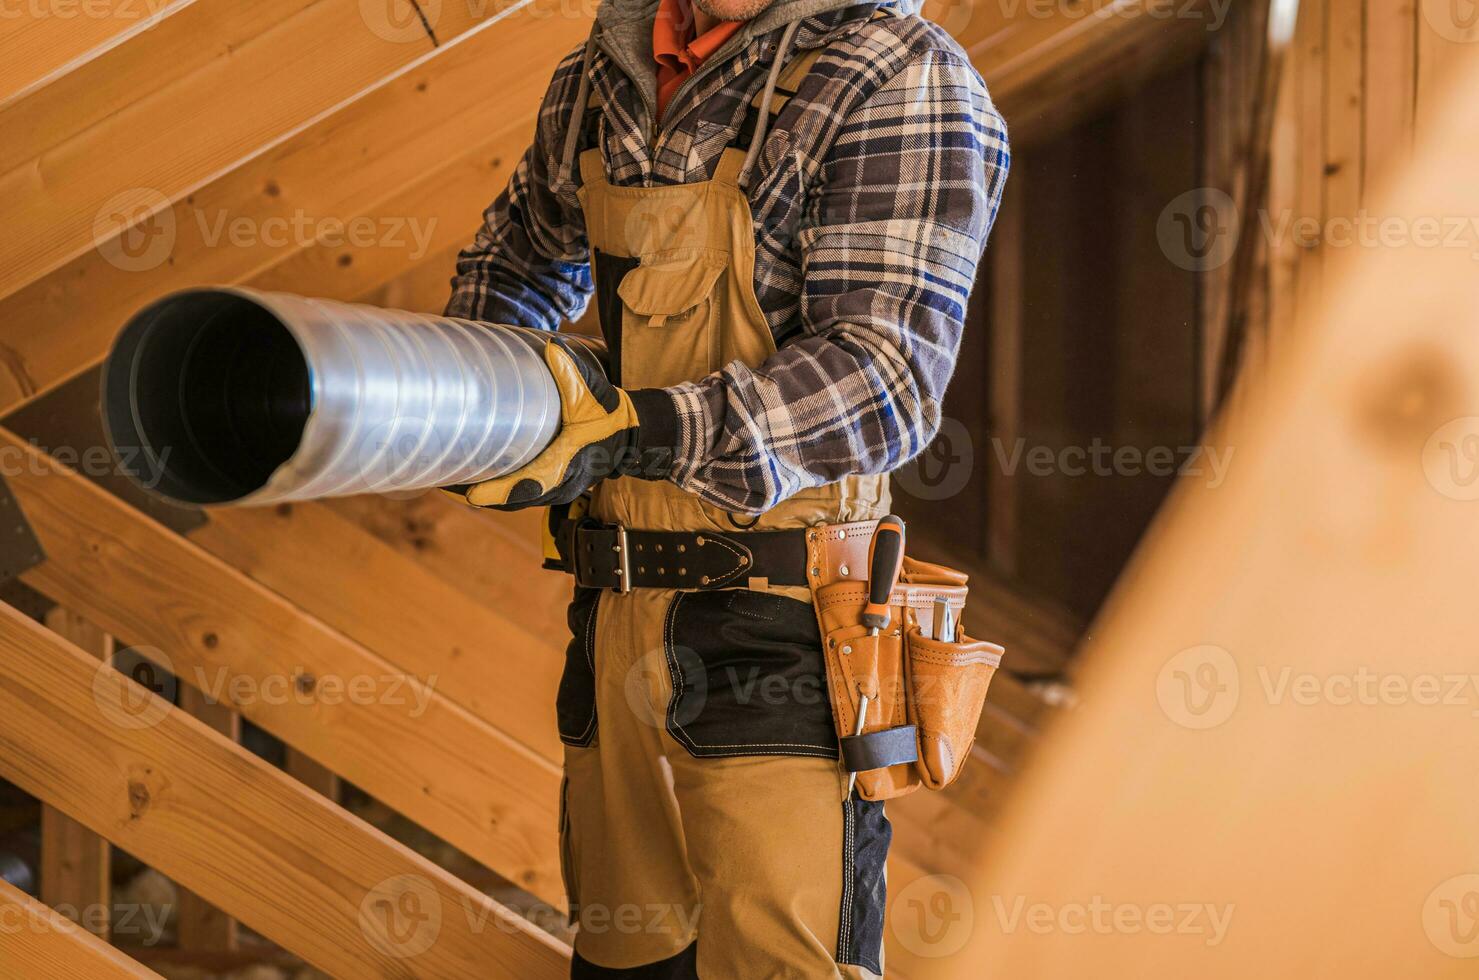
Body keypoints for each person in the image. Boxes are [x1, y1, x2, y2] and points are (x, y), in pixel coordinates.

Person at [444, 0, 1008, 973]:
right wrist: (468, 396)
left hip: (784, 624)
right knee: (627, 959)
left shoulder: (894, 70)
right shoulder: (605, 70)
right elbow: (516, 256)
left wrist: (642, 427)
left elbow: (886, 378)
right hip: (613, 606)